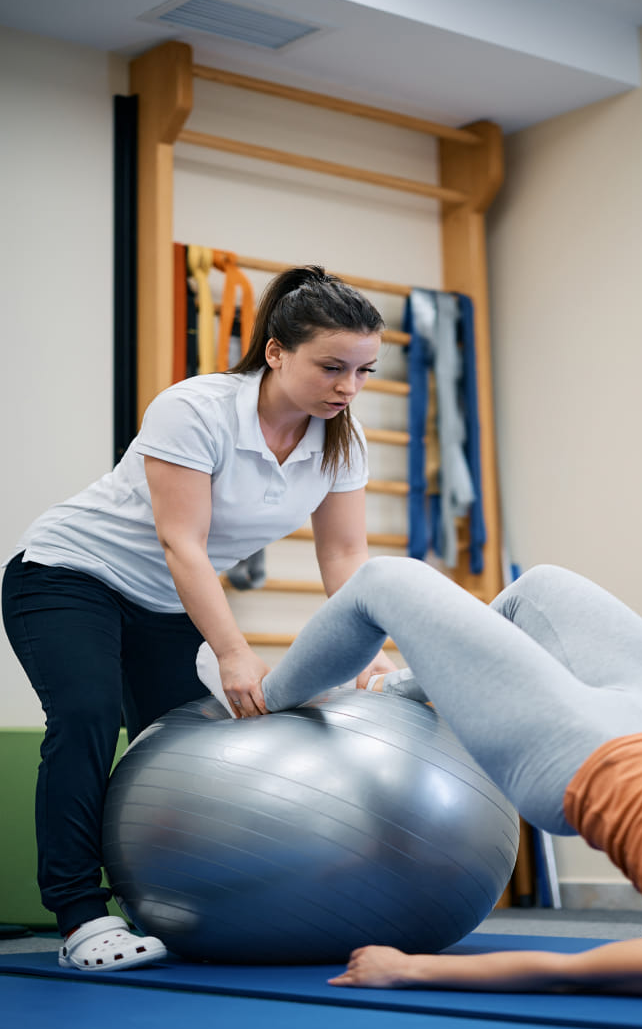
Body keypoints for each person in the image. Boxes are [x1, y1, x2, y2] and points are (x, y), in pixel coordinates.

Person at [195, 556, 642, 1015]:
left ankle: (259, 697)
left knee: (384, 582)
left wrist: (409, 971)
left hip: (578, 760)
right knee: (540, 588)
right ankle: (409, 687)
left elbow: (581, 971)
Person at [2, 264, 396, 972]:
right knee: (90, 714)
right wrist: (234, 649)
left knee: (183, 744)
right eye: (332, 367)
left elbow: (343, 555)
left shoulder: (342, 440)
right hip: (68, 575)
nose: (349, 388)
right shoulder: (198, 408)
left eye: (365, 370)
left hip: (163, 602)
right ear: (275, 351)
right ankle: (80, 915)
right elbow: (180, 541)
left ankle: (164, 901)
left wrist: (369, 648)